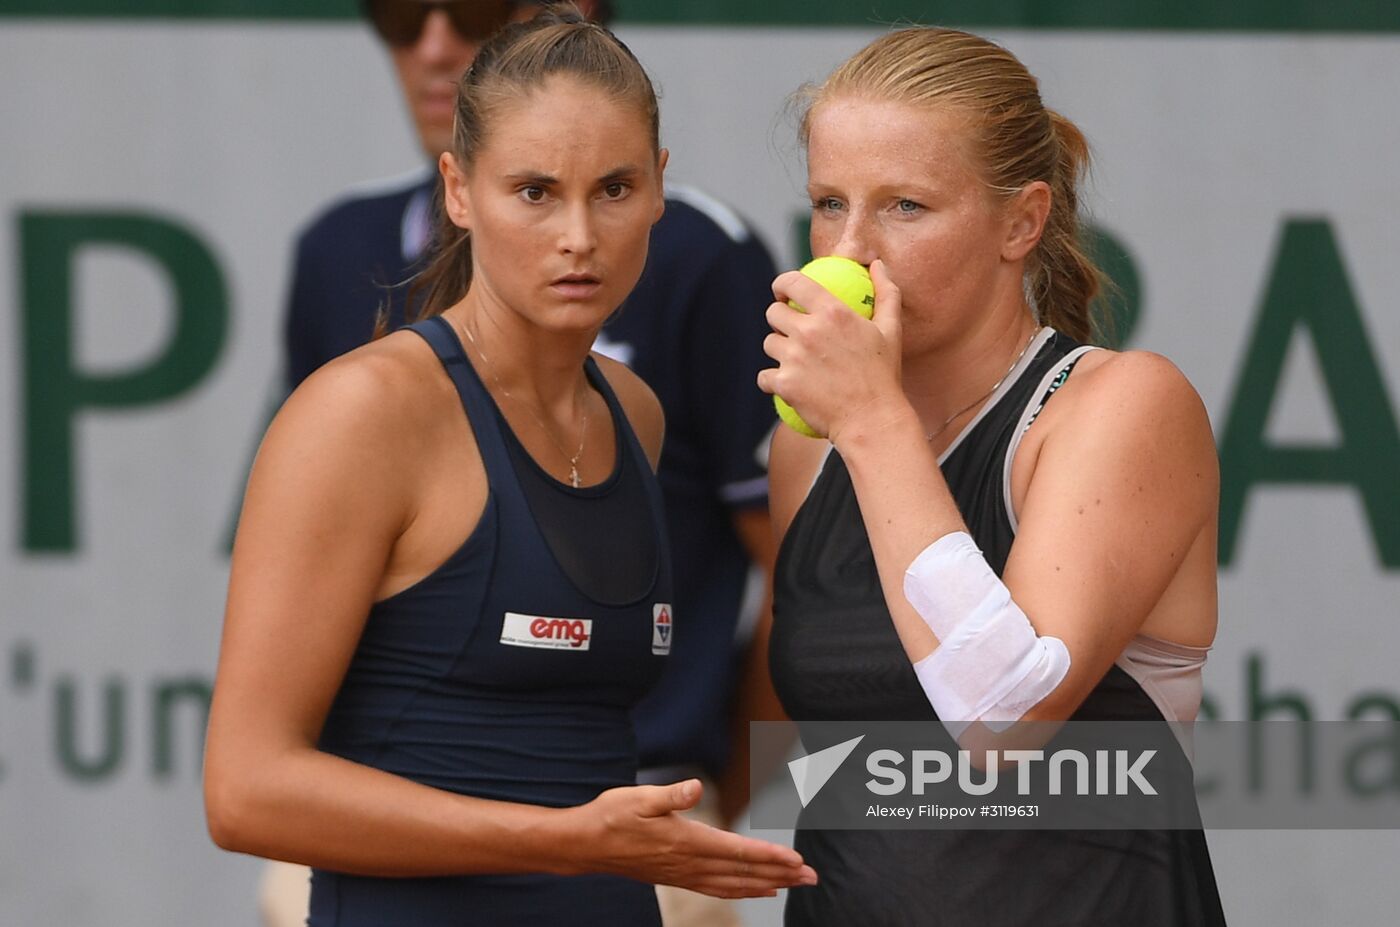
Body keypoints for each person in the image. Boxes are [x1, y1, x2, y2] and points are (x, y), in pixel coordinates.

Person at [204, 9, 815, 927]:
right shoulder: (362, 412)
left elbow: (791, 597)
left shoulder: (633, 413)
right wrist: (564, 839)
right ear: (458, 189)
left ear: (660, 187)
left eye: (614, 188)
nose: (579, 234)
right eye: (534, 191)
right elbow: (246, 791)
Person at [757, 26, 1227, 925]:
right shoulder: (806, 451)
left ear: (1023, 220)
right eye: (828, 203)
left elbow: (1002, 721)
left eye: (904, 207)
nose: (850, 250)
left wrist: (872, 421)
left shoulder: (1127, 404)